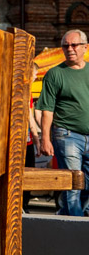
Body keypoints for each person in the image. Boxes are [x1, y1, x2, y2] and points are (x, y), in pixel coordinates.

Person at [37, 29, 89, 216]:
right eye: (65, 46)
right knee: (72, 184)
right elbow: (47, 110)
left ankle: (66, 216)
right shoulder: (55, 74)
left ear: (85, 47)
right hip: (67, 135)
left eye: (74, 45)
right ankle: (76, 225)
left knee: (86, 185)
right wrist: (45, 139)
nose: (70, 49)